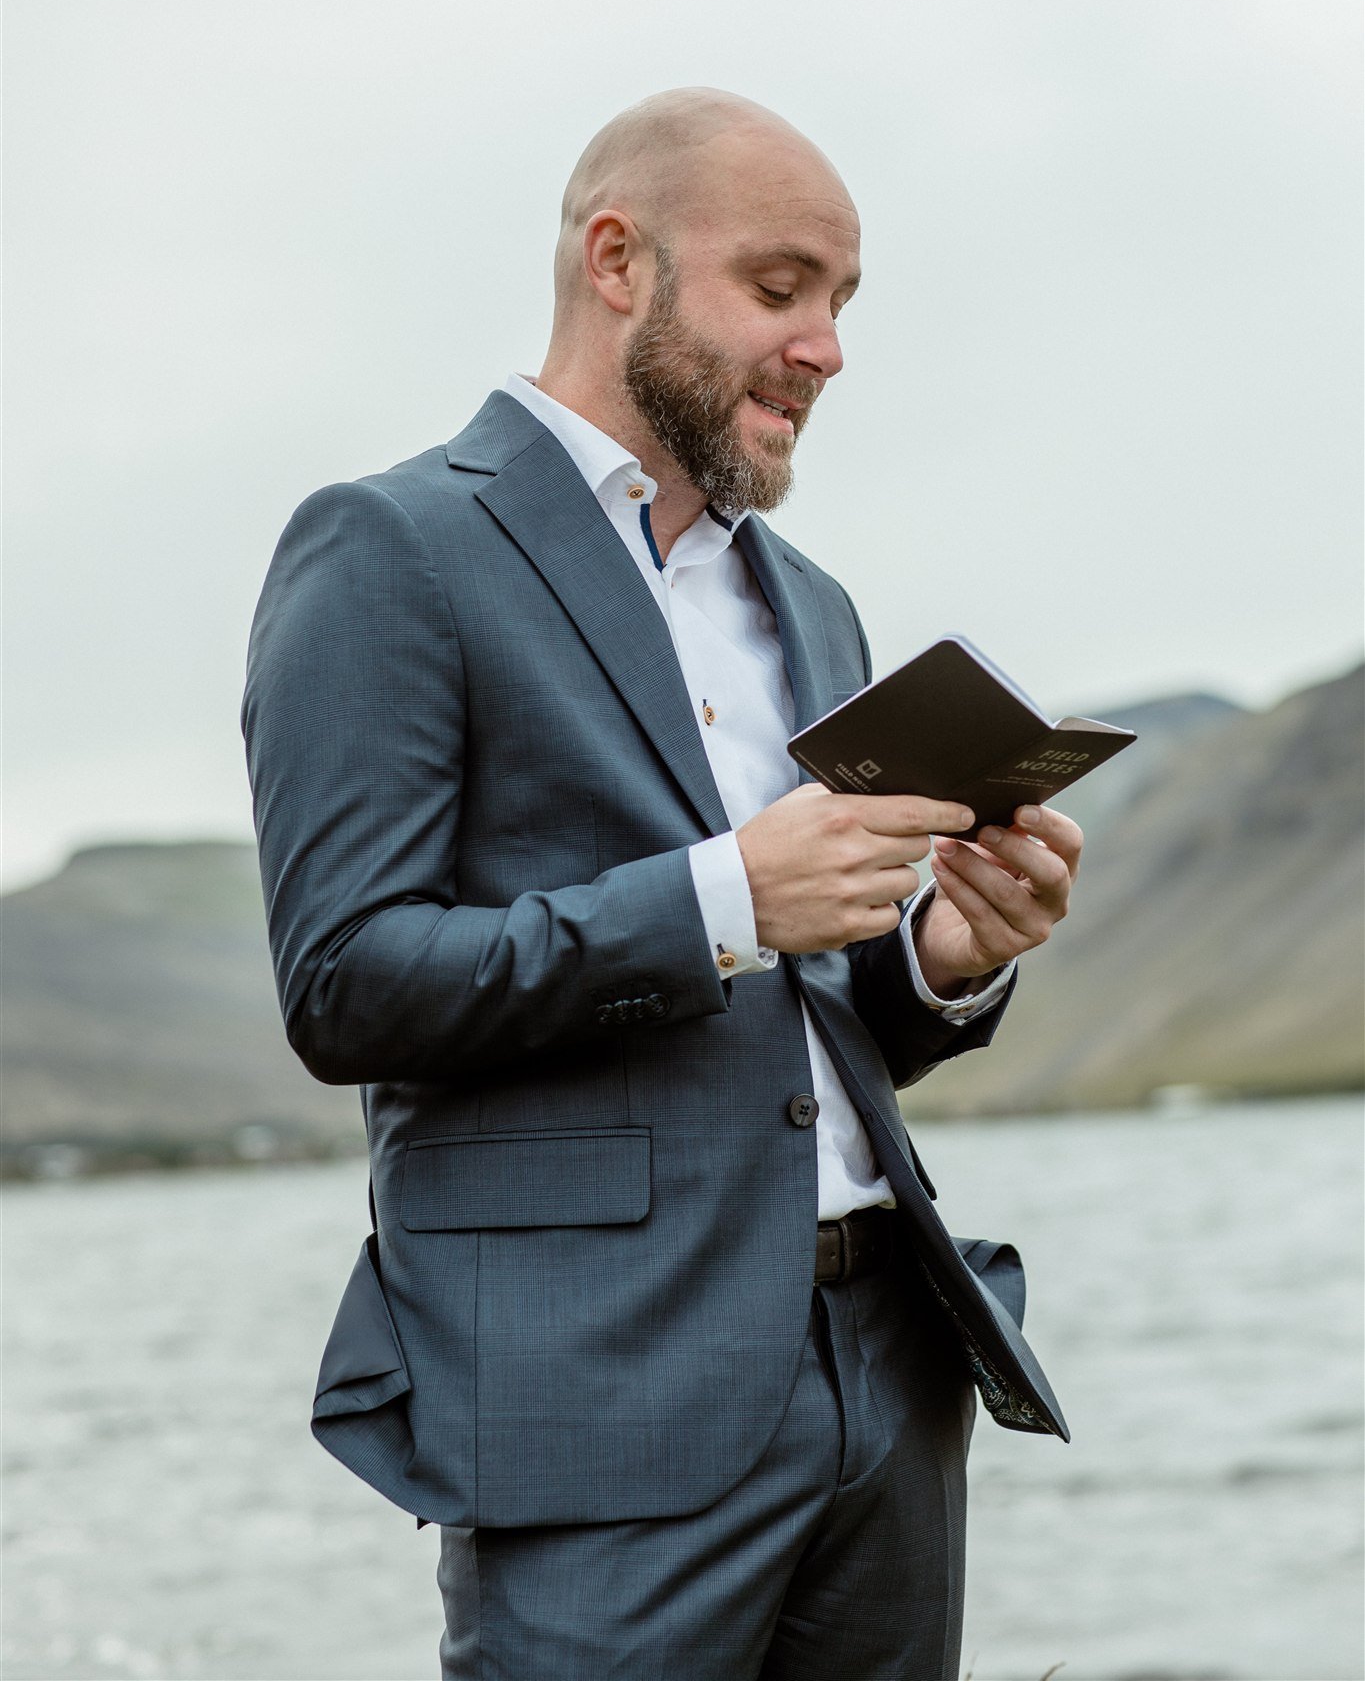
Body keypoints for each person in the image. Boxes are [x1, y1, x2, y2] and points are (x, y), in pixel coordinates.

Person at [242, 88, 1083, 1681]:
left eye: (840, 304)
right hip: (598, 1398)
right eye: (779, 290)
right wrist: (719, 900)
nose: (824, 347)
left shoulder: (813, 605)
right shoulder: (390, 548)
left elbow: (811, 1021)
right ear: (616, 261)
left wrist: (943, 961)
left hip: (883, 1380)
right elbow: (343, 980)